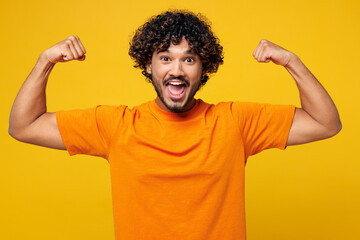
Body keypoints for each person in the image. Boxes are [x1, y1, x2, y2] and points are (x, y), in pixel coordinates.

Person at [9, 9, 341, 240]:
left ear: (204, 67)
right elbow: (24, 126)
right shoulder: (117, 125)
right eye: (165, 57)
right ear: (149, 66)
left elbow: (325, 123)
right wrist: (45, 62)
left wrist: (291, 62)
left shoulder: (235, 122)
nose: (177, 69)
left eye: (189, 58)